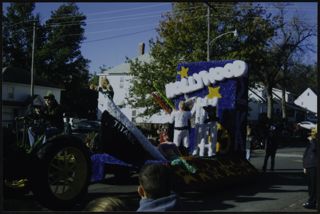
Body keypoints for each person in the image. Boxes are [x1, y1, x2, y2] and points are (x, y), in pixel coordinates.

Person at [302, 127, 317, 209]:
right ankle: (311, 201)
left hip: (314, 166)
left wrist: (312, 141)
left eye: (313, 132)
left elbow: (315, 149)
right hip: (309, 165)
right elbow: (306, 154)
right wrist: (305, 166)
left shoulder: (314, 142)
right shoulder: (311, 142)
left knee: (314, 185)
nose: (312, 134)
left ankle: (312, 202)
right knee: (310, 185)